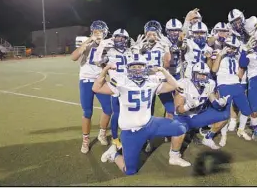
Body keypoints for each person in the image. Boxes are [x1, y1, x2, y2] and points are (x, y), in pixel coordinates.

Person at [95, 54, 190, 175]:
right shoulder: (121, 82)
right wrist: (105, 69)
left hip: (149, 124)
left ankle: (174, 156)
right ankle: (113, 154)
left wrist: (162, 70)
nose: (137, 69)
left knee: (181, 128)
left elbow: (175, 85)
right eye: (133, 67)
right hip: (130, 131)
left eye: (140, 66)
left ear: (145, 68)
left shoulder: (152, 81)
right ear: (128, 68)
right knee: (129, 171)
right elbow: (96, 88)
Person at [70, 20, 112, 154]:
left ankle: (102, 133)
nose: (98, 34)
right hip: (86, 80)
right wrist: (89, 41)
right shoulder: (85, 41)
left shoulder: (107, 45)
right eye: (96, 31)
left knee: (108, 108)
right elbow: (74, 57)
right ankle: (85, 140)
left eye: (100, 32)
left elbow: (107, 64)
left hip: (100, 80)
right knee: (87, 112)